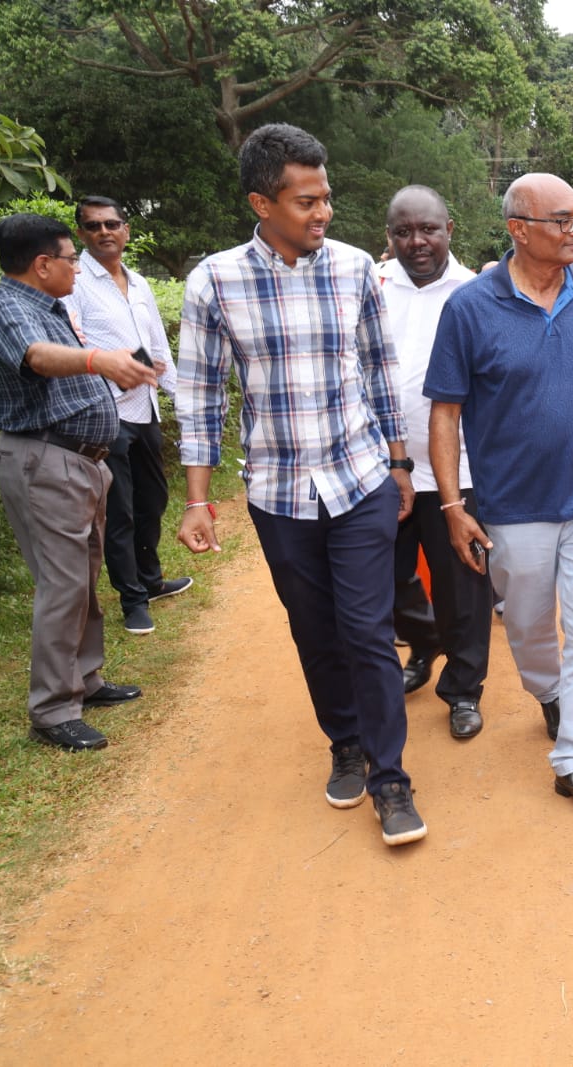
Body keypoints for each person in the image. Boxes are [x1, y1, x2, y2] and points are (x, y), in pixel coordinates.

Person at [176, 123, 426, 846]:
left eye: (327, 198)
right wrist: (197, 499)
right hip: (279, 492)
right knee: (314, 630)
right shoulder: (215, 281)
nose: (323, 214)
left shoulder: (354, 269)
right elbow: (200, 395)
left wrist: (400, 463)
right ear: (263, 201)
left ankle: (391, 779)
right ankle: (344, 740)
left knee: (367, 629)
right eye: (306, 201)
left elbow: (380, 370)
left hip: (358, 479)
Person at [424, 172, 573, 820]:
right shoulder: (471, 308)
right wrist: (451, 505)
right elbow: (445, 412)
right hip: (511, 504)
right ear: (518, 229)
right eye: (562, 220)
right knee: (526, 625)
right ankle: (547, 691)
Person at [0, 214, 153, 751]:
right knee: (62, 586)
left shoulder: (50, 305)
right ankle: (53, 710)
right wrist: (100, 360)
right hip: (45, 463)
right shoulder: (7, 309)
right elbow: (38, 359)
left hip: (79, 464)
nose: (78, 266)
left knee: (82, 578)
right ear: (42, 264)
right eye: (70, 258)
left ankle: (86, 680)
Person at [379, 185, 494, 740]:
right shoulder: (371, 290)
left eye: (427, 229)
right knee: (385, 579)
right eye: (404, 231)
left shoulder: (479, 293)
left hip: (463, 470)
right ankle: (423, 643)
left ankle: (464, 689)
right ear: (390, 237)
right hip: (384, 468)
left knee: (464, 584)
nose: (417, 241)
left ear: (450, 229)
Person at [62, 196, 192, 636]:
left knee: (151, 500)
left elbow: (158, 349)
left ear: (126, 230)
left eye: (112, 224)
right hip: (106, 413)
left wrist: (180, 397)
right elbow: (72, 348)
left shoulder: (139, 283)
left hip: (146, 410)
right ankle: (133, 599)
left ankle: (151, 581)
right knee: (119, 512)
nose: (104, 232)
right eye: (93, 226)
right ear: (81, 233)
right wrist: (116, 368)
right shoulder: (75, 283)